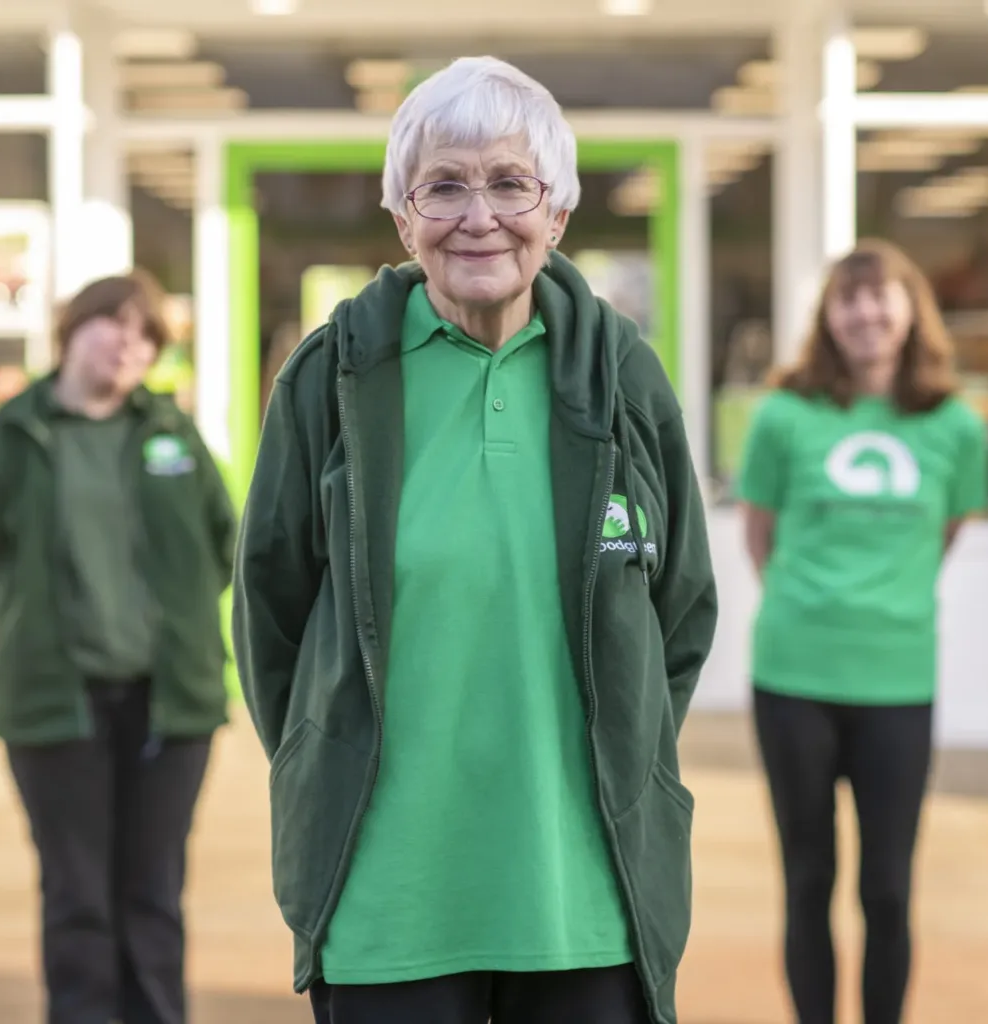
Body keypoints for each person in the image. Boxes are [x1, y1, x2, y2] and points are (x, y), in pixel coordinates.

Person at [232, 56, 718, 1024]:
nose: (478, 214)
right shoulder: (332, 376)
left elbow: (680, 606)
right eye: (443, 185)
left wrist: (625, 751)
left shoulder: (624, 376)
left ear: (559, 213)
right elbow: (271, 609)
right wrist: (320, 755)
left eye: (509, 183)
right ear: (403, 218)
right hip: (388, 895)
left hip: (584, 894)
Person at [0, 271, 236, 1024]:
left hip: (170, 702)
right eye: (113, 324)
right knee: (77, 895)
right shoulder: (12, 436)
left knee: (152, 892)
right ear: (72, 330)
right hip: (55, 701)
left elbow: (224, 543)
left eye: (147, 336)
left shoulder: (172, 435)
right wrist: (35, 618)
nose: (127, 344)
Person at [738, 240, 988, 1024]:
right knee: (808, 878)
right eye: (849, 300)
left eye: (881, 297)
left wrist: (884, 600)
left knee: (887, 885)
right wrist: (821, 604)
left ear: (912, 311)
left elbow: (945, 532)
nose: (866, 314)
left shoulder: (955, 426)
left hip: (898, 681)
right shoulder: (782, 415)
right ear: (828, 317)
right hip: (794, 677)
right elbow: (760, 537)